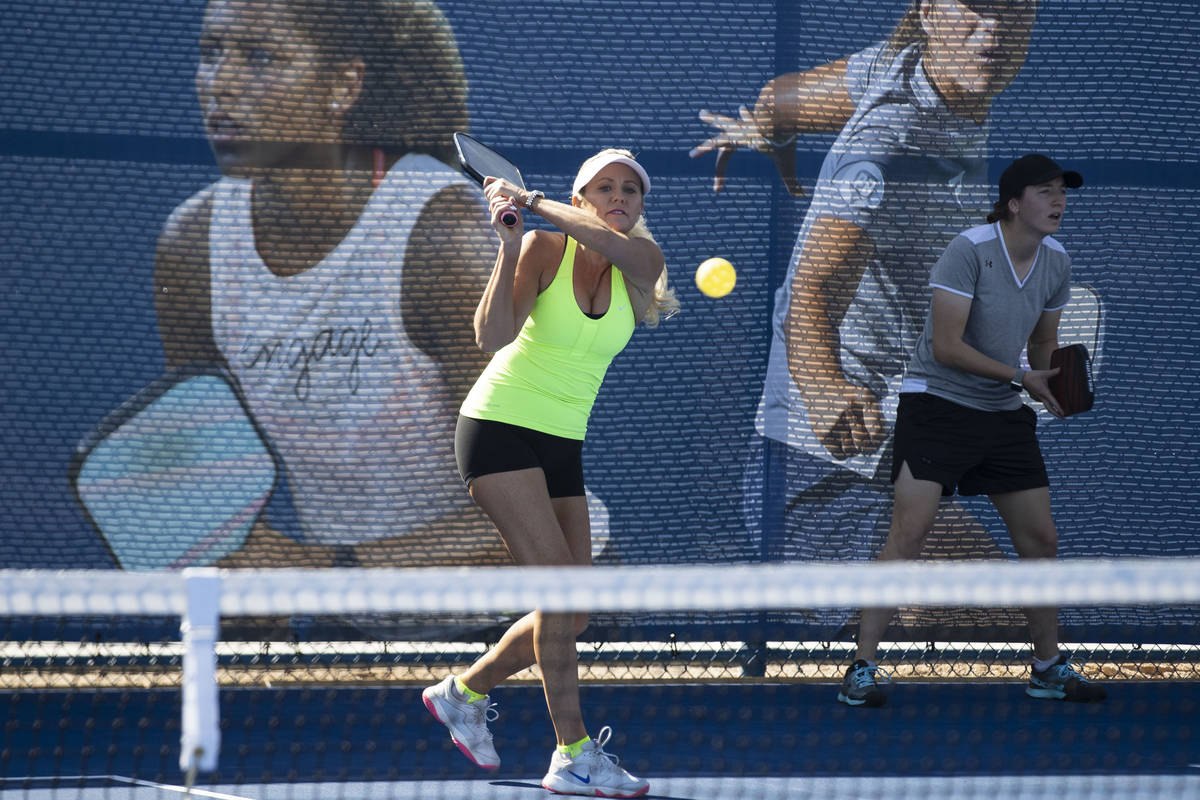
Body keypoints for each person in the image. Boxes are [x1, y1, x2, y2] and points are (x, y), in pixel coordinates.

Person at [693, 0, 1041, 635]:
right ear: (931, 11)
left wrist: (769, 138)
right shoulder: (891, 142)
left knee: (1020, 627)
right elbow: (813, 288)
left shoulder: (901, 64)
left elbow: (780, 98)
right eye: (975, 10)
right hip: (820, 477)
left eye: (1014, 11)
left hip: (893, 456)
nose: (993, 31)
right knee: (1009, 630)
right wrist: (825, 389)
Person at [154, 0, 513, 569]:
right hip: (353, 630)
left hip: (542, 617)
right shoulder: (193, 246)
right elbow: (215, 481)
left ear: (343, 85)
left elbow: (534, 511)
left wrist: (316, 571)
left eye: (260, 56)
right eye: (210, 54)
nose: (219, 84)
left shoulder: (443, 238)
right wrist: (239, 572)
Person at [422, 149, 678, 798]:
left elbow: (618, 246)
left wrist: (531, 198)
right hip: (498, 427)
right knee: (560, 596)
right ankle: (573, 754)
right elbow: (491, 338)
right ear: (581, 195)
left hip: (563, 445)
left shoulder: (642, 265)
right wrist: (509, 248)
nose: (620, 197)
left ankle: (464, 692)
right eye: (605, 187)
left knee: (576, 611)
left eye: (631, 190)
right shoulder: (542, 248)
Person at [837, 153, 1106, 707]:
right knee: (909, 535)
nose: (1058, 201)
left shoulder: (1056, 261)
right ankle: (861, 668)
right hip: (936, 404)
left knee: (1042, 540)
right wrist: (1020, 376)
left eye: (1063, 192)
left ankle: (1047, 666)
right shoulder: (971, 251)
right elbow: (946, 346)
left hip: (1002, 411)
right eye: (1045, 192)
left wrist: (1050, 379)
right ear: (1013, 203)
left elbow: (1041, 344)